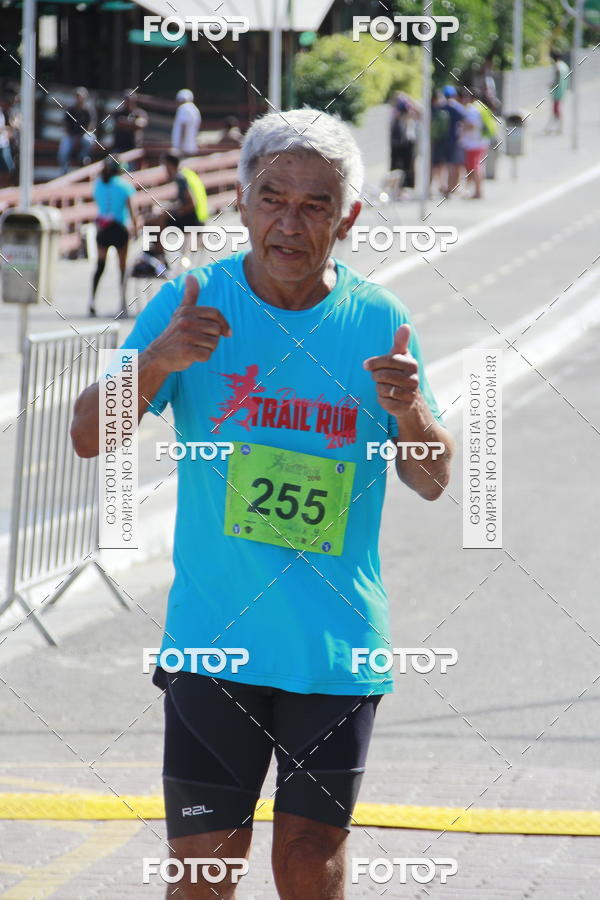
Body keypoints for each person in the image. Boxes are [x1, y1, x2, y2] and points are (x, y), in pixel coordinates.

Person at [70, 108, 454, 899]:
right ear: (241, 204)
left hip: (335, 644)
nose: (290, 221)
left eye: (315, 204)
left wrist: (411, 413)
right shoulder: (192, 301)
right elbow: (86, 436)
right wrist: (157, 363)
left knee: (309, 862)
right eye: (272, 197)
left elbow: (434, 477)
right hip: (217, 642)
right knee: (205, 875)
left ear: (348, 217)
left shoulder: (379, 320)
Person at [89, 157, 138, 318]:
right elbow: (132, 211)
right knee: (122, 267)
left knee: (100, 266)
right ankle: (123, 302)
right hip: (119, 228)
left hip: (103, 228)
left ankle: (92, 301)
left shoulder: (98, 184)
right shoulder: (125, 186)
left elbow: (98, 204)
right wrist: (136, 229)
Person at [57, 87, 96, 174]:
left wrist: (80, 136)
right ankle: (64, 171)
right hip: (71, 136)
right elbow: (65, 125)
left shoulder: (88, 110)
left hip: (83, 135)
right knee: (63, 151)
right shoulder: (70, 110)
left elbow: (91, 126)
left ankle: (83, 159)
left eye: (81, 97)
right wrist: (73, 136)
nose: (79, 99)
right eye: (77, 96)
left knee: (91, 138)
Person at [458, 91, 488, 199]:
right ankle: (473, 190)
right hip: (480, 142)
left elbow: (471, 125)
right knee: (476, 167)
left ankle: (477, 191)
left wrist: (461, 127)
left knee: (474, 167)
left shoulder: (472, 110)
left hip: (473, 143)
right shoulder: (480, 108)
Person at [389, 92, 420, 192]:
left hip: (408, 141)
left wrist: (410, 102)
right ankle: (395, 187)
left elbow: (420, 114)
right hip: (396, 142)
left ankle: (408, 187)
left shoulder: (410, 111)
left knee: (409, 165)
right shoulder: (393, 112)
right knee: (395, 165)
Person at [438, 85, 466, 196]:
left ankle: (442, 186)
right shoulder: (457, 107)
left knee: (442, 165)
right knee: (453, 165)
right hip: (454, 140)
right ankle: (451, 188)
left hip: (441, 140)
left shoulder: (440, 107)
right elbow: (465, 121)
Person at [110, 91, 148, 157]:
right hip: (119, 147)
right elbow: (119, 122)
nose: (128, 103)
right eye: (126, 100)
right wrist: (134, 124)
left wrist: (127, 122)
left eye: (130, 101)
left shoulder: (139, 112)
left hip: (134, 148)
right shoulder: (118, 112)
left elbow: (142, 124)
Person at [171, 88, 201, 156]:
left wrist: (180, 146)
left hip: (183, 148)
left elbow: (183, 126)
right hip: (191, 146)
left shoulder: (183, 108)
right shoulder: (195, 109)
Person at [546, 51, 570, 135]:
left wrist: (552, 85)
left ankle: (557, 127)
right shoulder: (565, 66)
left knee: (556, 110)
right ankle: (555, 127)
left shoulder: (557, 66)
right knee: (557, 109)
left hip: (557, 92)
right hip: (563, 90)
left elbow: (557, 78)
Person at [0, 94, 16, 188]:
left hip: (4, 143)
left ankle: (5, 186)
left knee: (8, 167)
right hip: (2, 144)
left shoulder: (5, 113)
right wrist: (8, 129)